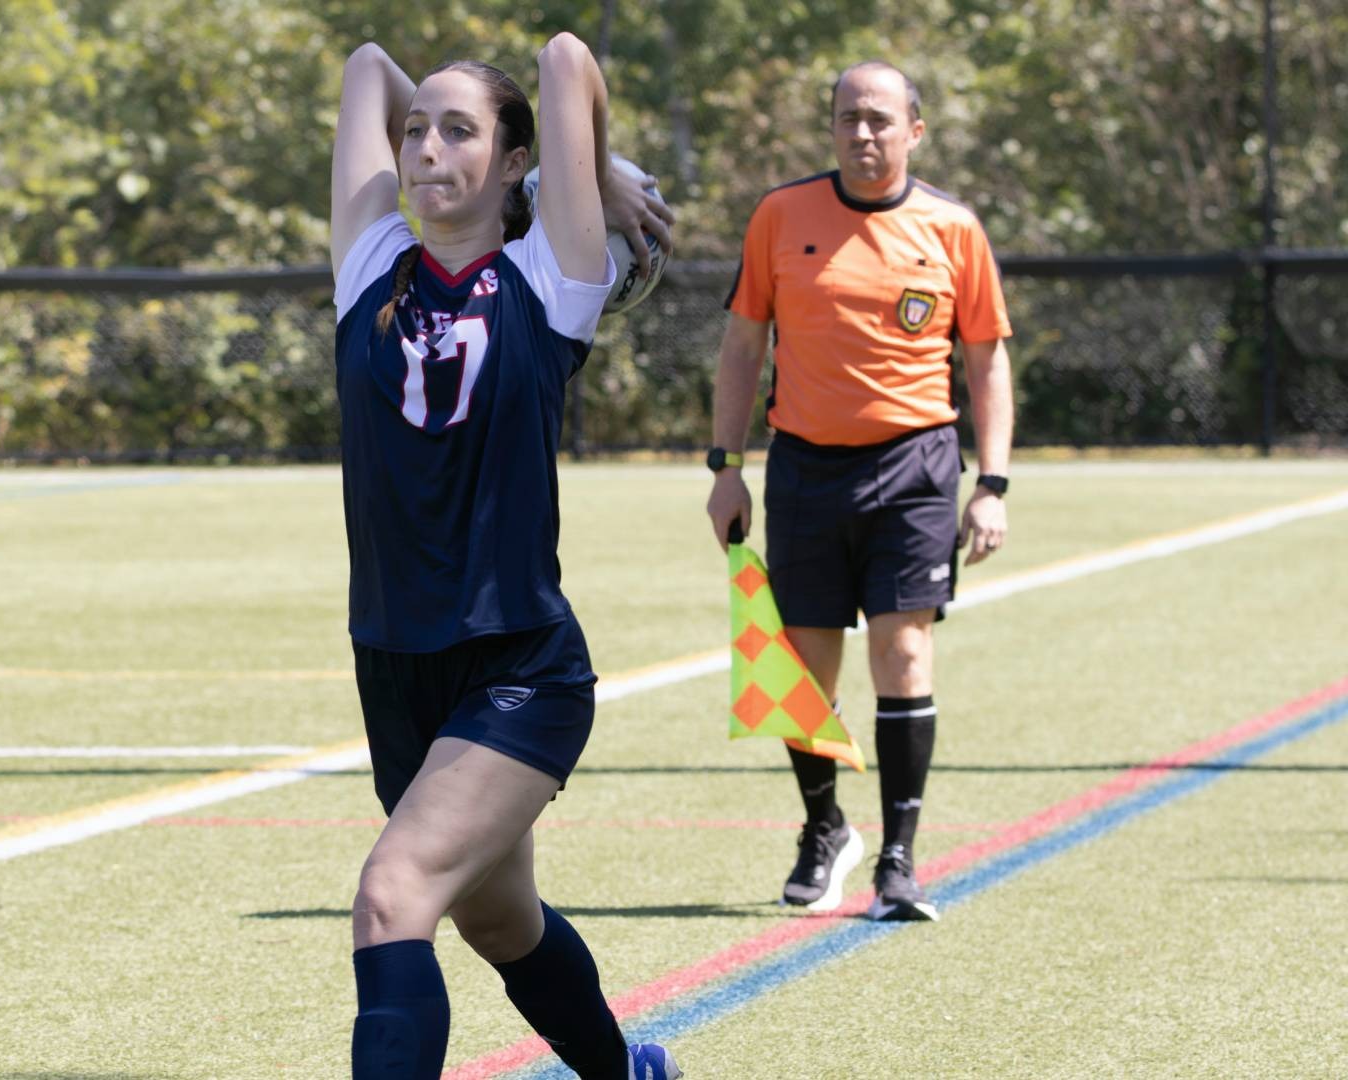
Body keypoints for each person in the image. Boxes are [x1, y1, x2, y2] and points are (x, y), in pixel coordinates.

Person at [330, 33, 680, 1080]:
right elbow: (364, 65)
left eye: (459, 132)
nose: (426, 149)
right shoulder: (366, 265)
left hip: (519, 662)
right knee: (498, 920)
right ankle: (627, 1075)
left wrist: (599, 163)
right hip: (395, 660)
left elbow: (567, 58)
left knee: (393, 895)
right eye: (415, 132)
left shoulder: (551, 275)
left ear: (518, 160)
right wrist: (431, 104)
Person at [703, 60, 1014, 922]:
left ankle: (901, 859)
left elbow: (987, 360)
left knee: (904, 655)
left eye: (879, 118)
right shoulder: (780, 215)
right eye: (847, 117)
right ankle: (824, 827)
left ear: (915, 129)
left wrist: (990, 483)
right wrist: (724, 467)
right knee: (804, 666)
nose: (862, 133)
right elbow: (741, 347)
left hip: (916, 466)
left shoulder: (953, 228)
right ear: (831, 127)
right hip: (804, 465)